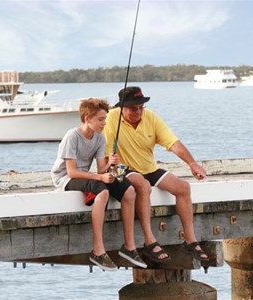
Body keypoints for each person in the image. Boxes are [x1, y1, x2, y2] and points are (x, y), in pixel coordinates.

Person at [103, 87, 208, 263]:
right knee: (142, 185)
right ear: (121, 108)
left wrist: (192, 163)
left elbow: (173, 143)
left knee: (183, 188)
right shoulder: (111, 119)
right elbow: (106, 158)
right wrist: (113, 166)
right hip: (119, 168)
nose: (138, 112)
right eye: (133, 108)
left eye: (140, 107)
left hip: (148, 167)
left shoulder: (150, 117)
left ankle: (190, 240)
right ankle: (149, 241)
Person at [51, 98, 147, 271]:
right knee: (102, 192)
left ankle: (129, 247)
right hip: (66, 178)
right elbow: (71, 172)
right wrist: (100, 178)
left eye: (105, 119)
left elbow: (101, 169)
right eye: (101, 119)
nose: (105, 123)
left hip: (88, 176)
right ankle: (98, 251)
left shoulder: (99, 138)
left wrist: (110, 163)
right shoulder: (72, 136)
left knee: (129, 191)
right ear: (87, 118)